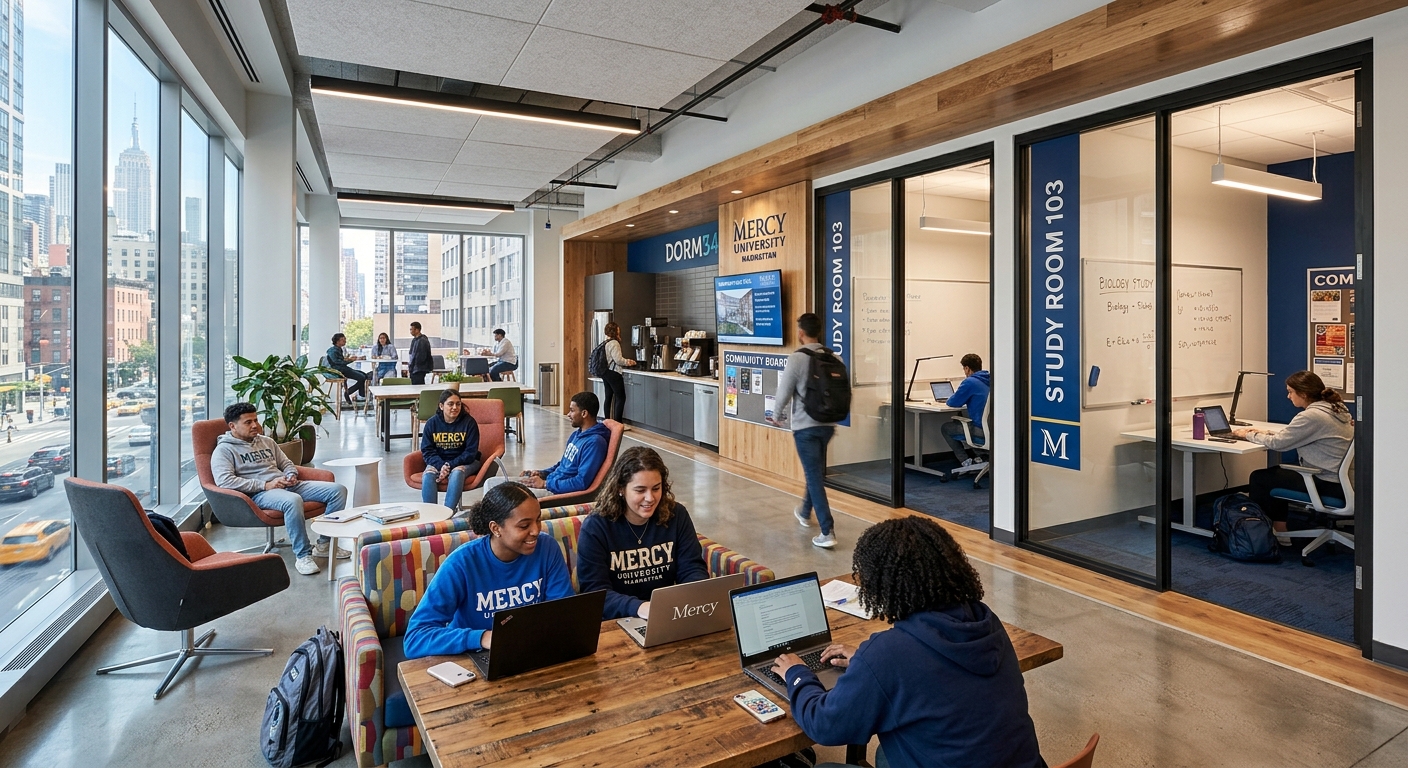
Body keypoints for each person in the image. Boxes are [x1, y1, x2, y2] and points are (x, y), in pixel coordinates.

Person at [772, 517, 1044, 768]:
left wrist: (797, 674)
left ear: (881, 586)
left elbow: (824, 725)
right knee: (885, 754)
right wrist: (868, 665)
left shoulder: (889, 654)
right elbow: (931, 675)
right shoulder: (984, 620)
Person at [403, 482, 575, 658]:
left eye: (538, 519)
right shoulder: (462, 563)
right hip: (473, 656)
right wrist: (482, 637)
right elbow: (416, 638)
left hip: (531, 651)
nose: (536, 530)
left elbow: (563, 612)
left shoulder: (547, 548)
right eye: (524, 526)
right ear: (496, 528)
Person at [210, 402, 350, 576]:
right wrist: (265, 485)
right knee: (292, 501)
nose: (255, 425)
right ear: (232, 426)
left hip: (287, 484)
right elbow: (225, 481)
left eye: (255, 420)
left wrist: (291, 475)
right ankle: (303, 555)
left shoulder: (266, 441)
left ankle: (325, 544)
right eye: (248, 422)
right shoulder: (224, 450)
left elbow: (287, 463)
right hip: (260, 493)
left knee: (337, 490)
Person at [576, 446, 708, 620]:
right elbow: (595, 593)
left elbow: (692, 568)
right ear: (620, 489)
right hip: (618, 620)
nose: (650, 498)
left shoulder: (677, 515)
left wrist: (691, 597)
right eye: (640, 490)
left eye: (656, 488)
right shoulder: (596, 527)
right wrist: (641, 607)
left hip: (668, 614)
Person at [1233, 370, 1353, 541]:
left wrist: (1246, 434)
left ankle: (1265, 535)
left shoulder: (1311, 416)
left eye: (1290, 392)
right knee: (1277, 474)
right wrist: (1264, 432)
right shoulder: (1336, 409)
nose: (1288, 396)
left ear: (1303, 394)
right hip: (1343, 481)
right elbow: (1295, 435)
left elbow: (1279, 444)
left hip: (1325, 481)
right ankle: (1280, 528)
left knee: (1261, 478)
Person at [768, 312, 843, 549]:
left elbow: (785, 390)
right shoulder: (835, 357)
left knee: (813, 477)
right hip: (828, 426)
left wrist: (776, 414)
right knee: (815, 473)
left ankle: (827, 531)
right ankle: (803, 511)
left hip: (805, 427)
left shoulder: (798, 358)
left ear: (801, 332)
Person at [518, 391, 610, 495]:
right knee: (501, 484)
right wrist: (543, 473)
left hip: (559, 492)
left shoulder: (595, 443)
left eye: (572, 410)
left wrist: (545, 484)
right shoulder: (576, 435)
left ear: (584, 413)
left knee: (508, 496)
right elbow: (562, 465)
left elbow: (581, 482)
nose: (568, 414)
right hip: (553, 483)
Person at [419, 389, 483, 510]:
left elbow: (470, 452)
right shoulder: (432, 423)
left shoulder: (469, 423)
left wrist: (449, 465)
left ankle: (448, 513)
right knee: (428, 475)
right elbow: (427, 451)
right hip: (440, 461)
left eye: (458, 404)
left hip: (466, 461)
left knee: (457, 473)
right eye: (450, 404)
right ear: (441, 406)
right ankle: (431, 514)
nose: (455, 407)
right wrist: (441, 465)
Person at [941, 353, 991, 470]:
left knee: (946, 428)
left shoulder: (970, 382)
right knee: (961, 418)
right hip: (996, 430)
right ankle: (980, 456)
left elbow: (952, 402)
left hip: (982, 431)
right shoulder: (991, 380)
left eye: (964, 368)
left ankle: (966, 461)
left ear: (967, 368)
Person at [598, 322, 635, 422]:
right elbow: (618, 360)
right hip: (613, 372)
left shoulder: (605, 342)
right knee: (620, 397)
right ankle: (617, 422)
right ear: (615, 331)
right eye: (618, 329)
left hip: (605, 372)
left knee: (608, 396)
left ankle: (607, 420)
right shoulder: (614, 343)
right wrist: (628, 362)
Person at [325, 332, 368, 403]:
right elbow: (337, 362)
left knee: (364, 375)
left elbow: (341, 359)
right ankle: (350, 393)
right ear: (337, 341)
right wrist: (350, 360)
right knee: (362, 377)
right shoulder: (332, 351)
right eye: (343, 340)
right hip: (339, 370)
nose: (345, 341)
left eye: (345, 339)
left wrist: (351, 359)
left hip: (343, 368)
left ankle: (360, 394)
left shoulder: (339, 349)